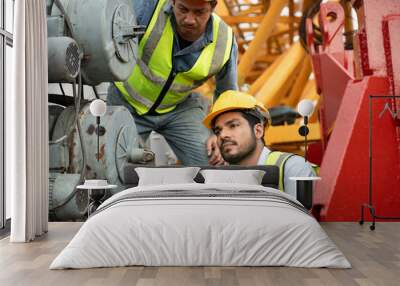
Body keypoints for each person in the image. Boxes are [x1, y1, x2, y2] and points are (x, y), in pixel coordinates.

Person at [108, 0, 238, 165]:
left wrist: (218, 134)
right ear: (173, 2)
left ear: (212, 8)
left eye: (199, 12)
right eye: (183, 9)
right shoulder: (147, 9)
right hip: (126, 101)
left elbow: (227, 95)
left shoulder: (225, 42)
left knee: (214, 160)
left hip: (179, 110)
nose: (189, 19)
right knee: (114, 168)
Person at [203, 90, 315, 197]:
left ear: (258, 131)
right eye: (218, 131)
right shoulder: (220, 179)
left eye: (233, 125)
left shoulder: (292, 168)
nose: (222, 135)